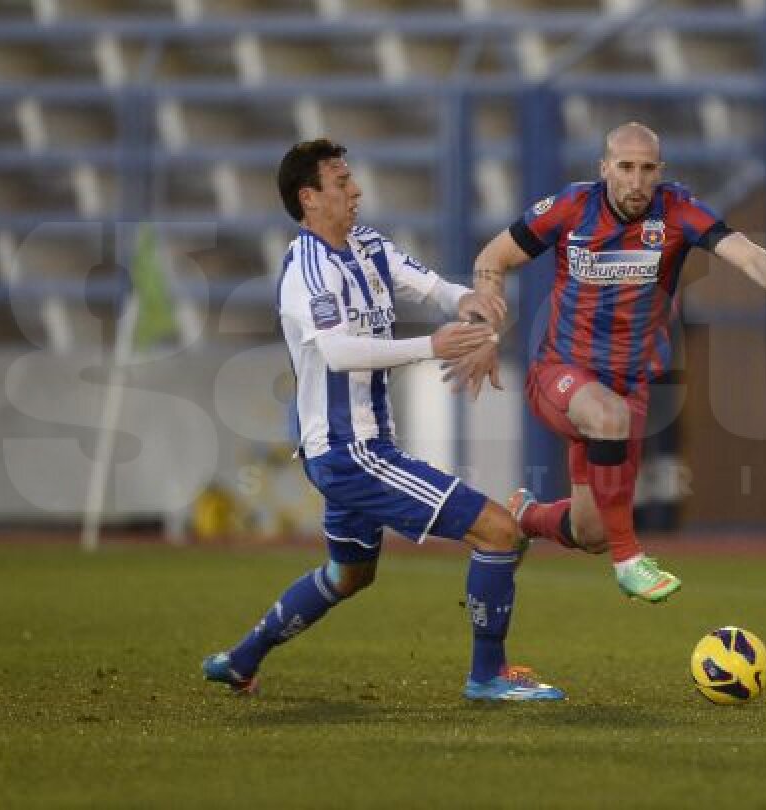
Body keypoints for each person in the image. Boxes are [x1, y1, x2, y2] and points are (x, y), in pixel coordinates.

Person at [202, 138, 564, 701]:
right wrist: (433, 345)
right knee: (498, 530)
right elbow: (340, 352)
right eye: (341, 182)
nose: (356, 191)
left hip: (355, 447)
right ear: (310, 198)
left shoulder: (366, 245)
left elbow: (428, 284)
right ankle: (487, 676)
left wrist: (470, 300)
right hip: (351, 451)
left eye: (352, 180)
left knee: (349, 575)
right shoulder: (308, 271)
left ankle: (241, 660)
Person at [455, 122, 766, 602]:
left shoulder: (677, 210)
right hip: (561, 374)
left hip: (629, 385)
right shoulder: (571, 208)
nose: (636, 181)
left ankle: (525, 516)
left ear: (660, 171)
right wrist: (485, 329)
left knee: (590, 531)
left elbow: (744, 253)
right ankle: (630, 559)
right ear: (604, 169)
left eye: (647, 169)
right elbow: (493, 256)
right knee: (606, 417)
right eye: (625, 167)